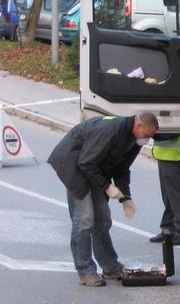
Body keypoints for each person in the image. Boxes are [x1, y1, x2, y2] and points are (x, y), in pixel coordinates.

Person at [48, 112, 159, 286]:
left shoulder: (135, 139)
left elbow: (122, 169)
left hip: (94, 170)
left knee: (103, 219)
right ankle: (85, 271)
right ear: (138, 126)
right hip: (74, 166)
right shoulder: (110, 131)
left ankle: (109, 266)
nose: (147, 140)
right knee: (84, 219)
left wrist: (125, 198)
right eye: (146, 136)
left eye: (150, 138)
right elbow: (86, 162)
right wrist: (107, 187)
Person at [149, 131, 180, 246]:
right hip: (166, 153)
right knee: (168, 195)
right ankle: (168, 230)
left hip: (175, 154)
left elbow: (171, 132)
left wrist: (152, 133)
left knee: (178, 196)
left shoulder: (178, 115)